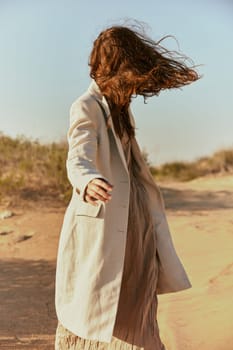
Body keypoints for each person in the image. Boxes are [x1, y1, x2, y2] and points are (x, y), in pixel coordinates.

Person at [55, 25, 199, 350]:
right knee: (99, 313)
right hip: (105, 223)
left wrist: (175, 76)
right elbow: (77, 154)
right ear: (114, 70)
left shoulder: (120, 106)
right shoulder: (86, 106)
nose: (133, 86)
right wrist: (87, 180)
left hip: (136, 222)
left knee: (139, 300)